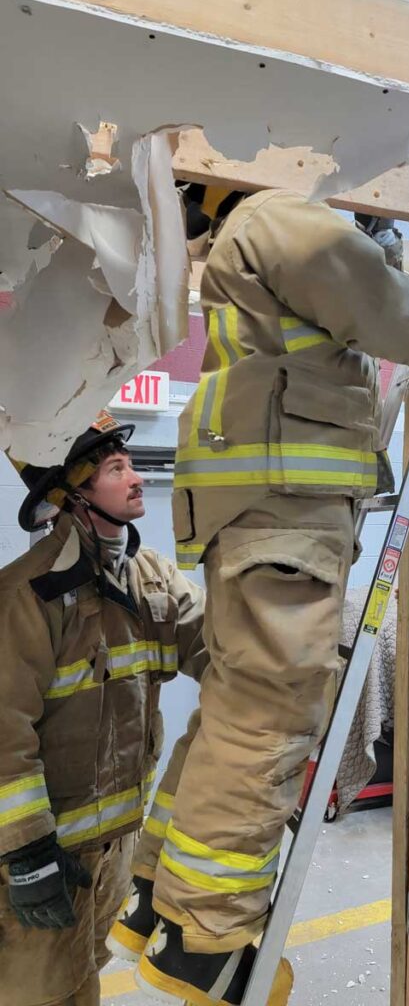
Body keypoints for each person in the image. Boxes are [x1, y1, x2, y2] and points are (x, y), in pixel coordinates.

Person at [118, 188, 409, 1005]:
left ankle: (160, 899)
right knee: (267, 722)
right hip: (284, 510)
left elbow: (332, 312)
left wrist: (380, 247)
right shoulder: (274, 215)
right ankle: (207, 940)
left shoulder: (241, 247)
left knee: (235, 709)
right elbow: (364, 294)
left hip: (261, 510)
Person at [0, 411, 208, 1006]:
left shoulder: (153, 582)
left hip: (114, 850)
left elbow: (219, 650)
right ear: (73, 496)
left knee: (85, 978)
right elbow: (3, 734)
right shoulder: (26, 598)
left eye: (131, 465)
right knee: (39, 995)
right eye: (118, 469)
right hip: (44, 859)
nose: (138, 478)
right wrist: (27, 853)